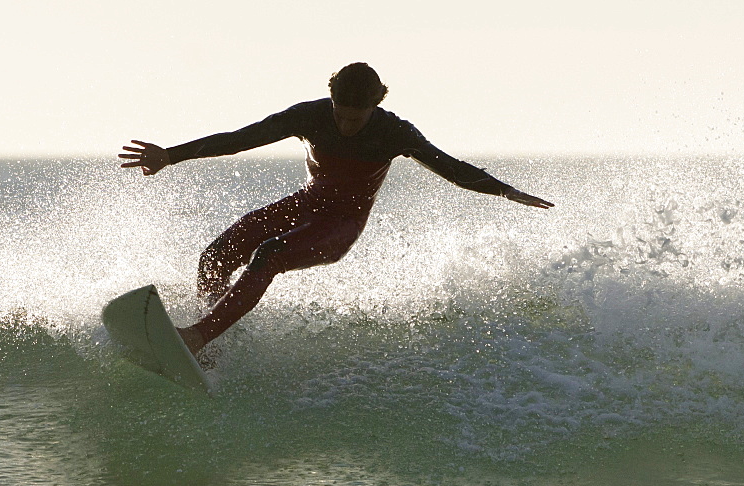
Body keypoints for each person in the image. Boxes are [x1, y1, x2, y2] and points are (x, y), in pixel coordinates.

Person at [120, 63, 554, 355]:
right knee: (214, 256)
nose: (345, 125)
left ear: (375, 104)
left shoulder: (392, 133)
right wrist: (170, 155)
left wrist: (508, 193)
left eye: (355, 118)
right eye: (340, 115)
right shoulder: (310, 116)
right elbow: (239, 139)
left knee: (267, 255)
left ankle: (198, 337)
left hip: (340, 226)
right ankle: (212, 339)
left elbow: (452, 168)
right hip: (305, 206)